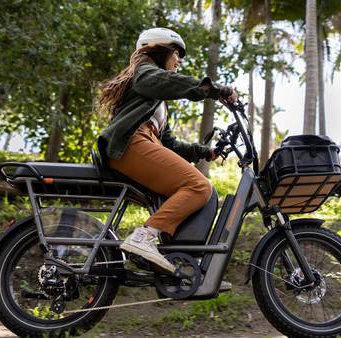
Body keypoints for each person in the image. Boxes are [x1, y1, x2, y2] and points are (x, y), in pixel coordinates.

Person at [96, 28, 237, 273]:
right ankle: (145, 236)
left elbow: (169, 143)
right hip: (131, 143)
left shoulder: (154, 99)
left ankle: (179, 256)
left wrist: (204, 152)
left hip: (142, 143)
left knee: (195, 187)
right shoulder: (145, 72)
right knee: (199, 186)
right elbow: (166, 82)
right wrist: (214, 90)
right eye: (176, 53)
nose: (179, 60)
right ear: (159, 51)